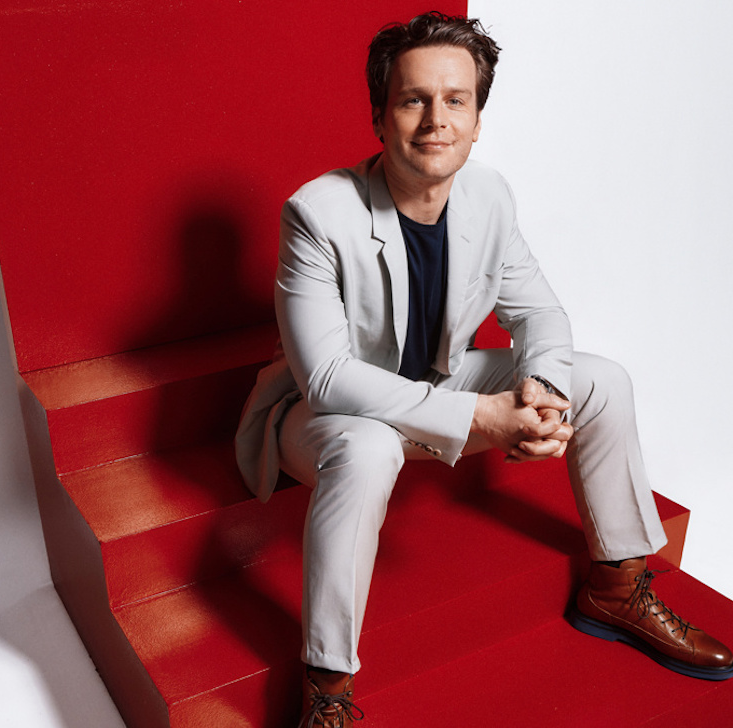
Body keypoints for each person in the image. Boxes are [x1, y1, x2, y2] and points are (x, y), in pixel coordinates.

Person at [236, 11, 733, 727]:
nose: (436, 120)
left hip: (436, 385)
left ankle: (615, 587)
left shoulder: (488, 195)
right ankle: (328, 684)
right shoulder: (318, 214)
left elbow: (542, 314)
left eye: (456, 100)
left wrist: (542, 391)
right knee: (370, 448)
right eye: (413, 100)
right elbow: (329, 378)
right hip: (327, 418)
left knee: (601, 380)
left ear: (476, 121)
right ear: (379, 117)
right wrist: (483, 417)